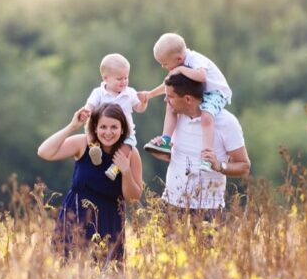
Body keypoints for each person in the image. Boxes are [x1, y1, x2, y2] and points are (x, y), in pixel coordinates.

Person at [37, 104, 144, 261]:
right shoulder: (83, 144)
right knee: (67, 273)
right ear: (95, 127)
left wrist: (126, 171)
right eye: (103, 127)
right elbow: (44, 152)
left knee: (106, 278)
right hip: (75, 218)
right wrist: (72, 126)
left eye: (114, 127)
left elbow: (133, 198)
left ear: (122, 129)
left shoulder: (130, 153)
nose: (108, 132)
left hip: (109, 222)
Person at [145, 73, 249, 221]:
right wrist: (161, 151)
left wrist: (219, 166)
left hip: (209, 209)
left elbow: (244, 166)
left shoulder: (227, 122)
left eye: (170, 97)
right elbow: (178, 158)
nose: (166, 100)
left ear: (187, 99)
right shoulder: (175, 118)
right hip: (171, 205)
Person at [139, 33, 233, 173]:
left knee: (206, 116)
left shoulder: (195, 60)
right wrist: (150, 94)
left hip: (215, 93)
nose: (164, 67)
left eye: (165, 63)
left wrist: (181, 69)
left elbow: (202, 76)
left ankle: (207, 155)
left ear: (178, 58)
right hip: (199, 92)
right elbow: (168, 84)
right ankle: (166, 140)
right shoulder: (178, 64)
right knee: (171, 103)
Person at [81, 53, 148, 180]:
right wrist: (87, 112)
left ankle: (115, 168)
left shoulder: (130, 93)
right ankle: (94, 149)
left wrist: (143, 102)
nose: (124, 82)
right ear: (106, 78)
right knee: (89, 129)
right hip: (102, 129)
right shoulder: (99, 92)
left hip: (125, 132)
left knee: (128, 146)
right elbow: (89, 106)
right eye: (119, 79)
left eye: (126, 78)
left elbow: (139, 108)